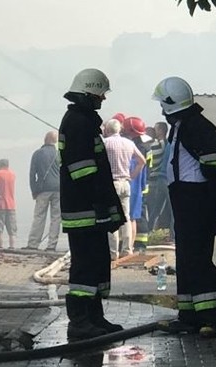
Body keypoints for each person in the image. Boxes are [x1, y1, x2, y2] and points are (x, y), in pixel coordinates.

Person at [152, 76, 216, 338]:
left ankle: (210, 319)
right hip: (185, 199)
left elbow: (215, 156)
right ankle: (189, 316)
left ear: (170, 104)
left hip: (195, 200)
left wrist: (204, 175)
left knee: (198, 260)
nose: (160, 109)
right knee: (186, 260)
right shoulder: (184, 125)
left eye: (162, 104)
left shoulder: (195, 125)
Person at [58, 68, 125, 340]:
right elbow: (84, 172)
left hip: (92, 211)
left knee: (97, 263)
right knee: (84, 266)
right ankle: (79, 321)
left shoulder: (84, 121)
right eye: (100, 94)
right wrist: (102, 205)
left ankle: (95, 317)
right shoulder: (77, 122)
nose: (102, 99)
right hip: (84, 211)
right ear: (88, 93)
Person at [102, 118, 145, 260]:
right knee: (126, 217)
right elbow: (142, 161)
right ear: (120, 129)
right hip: (126, 184)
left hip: (111, 184)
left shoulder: (105, 143)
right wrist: (131, 176)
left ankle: (113, 252)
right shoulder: (129, 143)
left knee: (112, 217)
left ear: (107, 130)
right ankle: (128, 250)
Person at [26, 130, 61, 251]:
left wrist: (33, 190)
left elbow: (32, 174)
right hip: (58, 189)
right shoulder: (59, 154)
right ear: (55, 141)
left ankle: (33, 244)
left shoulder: (37, 154)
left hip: (43, 189)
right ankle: (52, 245)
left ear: (45, 140)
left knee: (39, 216)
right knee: (56, 217)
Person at [122, 116, 152, 253]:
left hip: (135, 184)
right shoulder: (146, 145)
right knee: (138, 215)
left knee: (133, 215)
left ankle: (137, 244)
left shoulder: (133, 146)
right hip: (143, 183)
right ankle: (139, 244)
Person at [146, 121, 173, 237]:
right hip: (167, 179)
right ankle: (173, 235)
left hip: (160, 179)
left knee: (156, 208)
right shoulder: (168, 144)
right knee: (172, 209)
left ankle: (149, 230)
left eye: (156, 129)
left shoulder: (161, 144)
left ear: (161, 130)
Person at [0, 158, 17, 249]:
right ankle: (12, 247)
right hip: (11, 205)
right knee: (12, 229)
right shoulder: (12, 174)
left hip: (0, 205)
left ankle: (0, 247)